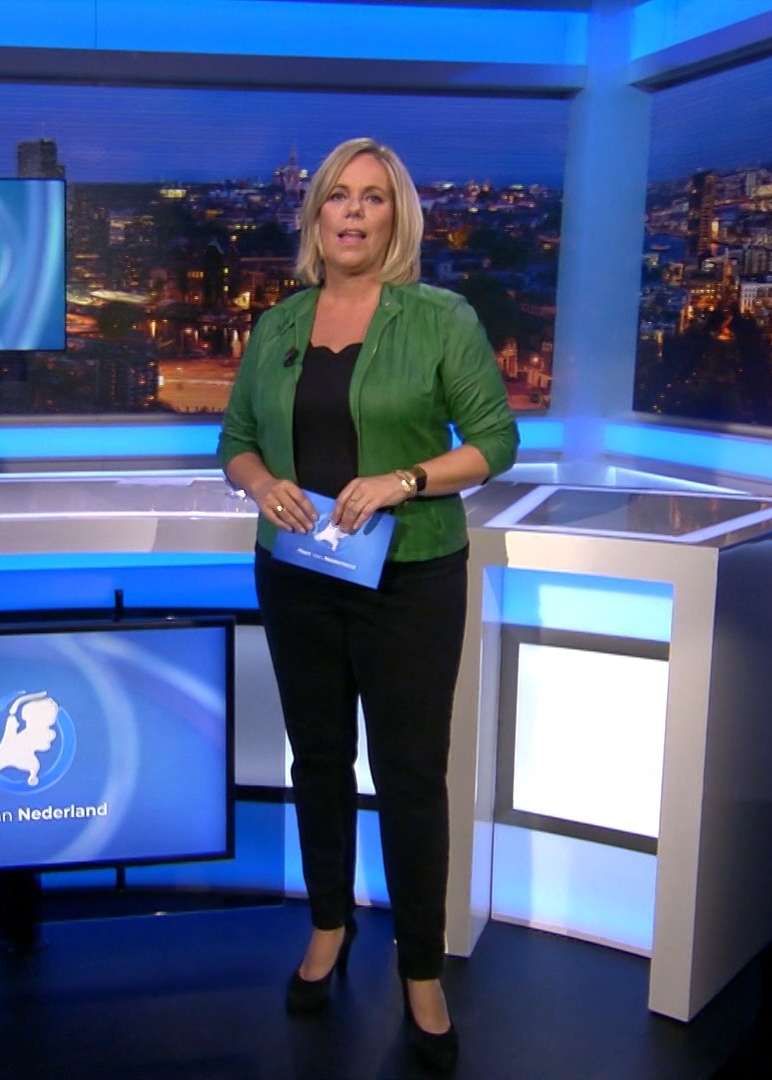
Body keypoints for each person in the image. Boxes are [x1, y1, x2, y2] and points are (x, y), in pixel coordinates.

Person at [217, 138, 518, 1073]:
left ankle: (421, 969)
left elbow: (496, 441)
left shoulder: (441, 318)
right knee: (318, 759)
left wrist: (406, 479)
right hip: (297, 573)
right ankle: (328, 924)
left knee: (410, 775)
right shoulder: (278, 324)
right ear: (316, 216)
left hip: (410, 575)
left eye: (373, 198)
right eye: (338, 196)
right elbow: (233, 441)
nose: (353, 212)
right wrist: (262, 483)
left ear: (398, 218)